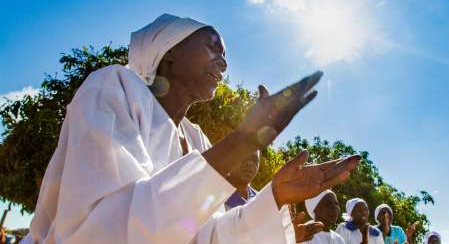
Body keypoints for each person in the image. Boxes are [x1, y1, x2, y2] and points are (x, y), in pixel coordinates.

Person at [24, 14, 362, 244]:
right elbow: (104, 229)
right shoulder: (113, 87)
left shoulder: (195, 137)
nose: (224, 62)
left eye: (225, 54)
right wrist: (240, 142)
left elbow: (206, 236)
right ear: (168, 53)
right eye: (212, 46)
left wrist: (274, 197)